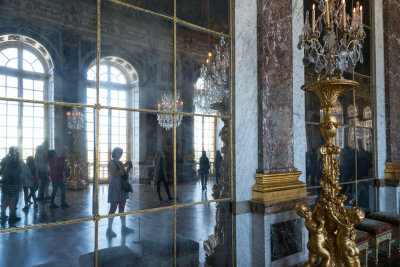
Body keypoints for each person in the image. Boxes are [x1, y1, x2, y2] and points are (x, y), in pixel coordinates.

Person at [106, 147, 133, 238]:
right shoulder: (111, 163)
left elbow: (124, 175)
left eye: (121, 153)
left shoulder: (121, 163)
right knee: (113, 208)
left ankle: (123, 227)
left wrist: (128, 168)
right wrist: (124, 166)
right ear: (114, 153)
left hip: (122, 187)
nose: (120, 154)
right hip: (115, 187)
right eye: (118, 153)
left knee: (122, 207)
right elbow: (115, 175)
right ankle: (109, 229)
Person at [0, 147, 22, 222]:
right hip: (13, 181)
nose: (18, 152)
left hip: (7, 181)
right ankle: (12, 216)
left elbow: (3, 169)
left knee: (7, 199)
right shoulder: (14, 160)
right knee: (12, 199)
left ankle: (3, 214)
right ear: (13, 151)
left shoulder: (5, 158)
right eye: (17, 150)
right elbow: (18, 171)